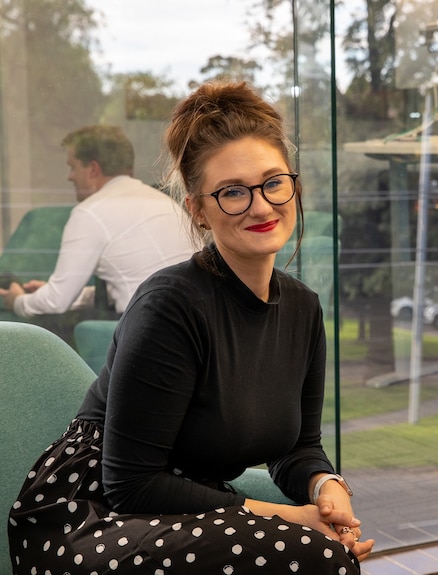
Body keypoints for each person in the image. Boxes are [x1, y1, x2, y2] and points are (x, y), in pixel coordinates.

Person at [7, 81, 373, 573]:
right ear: (198, 211)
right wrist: (292, 519)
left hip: (192, 507)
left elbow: (298, 447)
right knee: (314, 553)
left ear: (293, 184)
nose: (261, 206)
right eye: (232, 192)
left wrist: (326, 489)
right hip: (91, 514)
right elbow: (132, 484)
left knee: (325, 549)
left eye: (273, 182)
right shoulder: (170, 304)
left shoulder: (304, 309)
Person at [0, 125, 194, 335]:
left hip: (150, 333)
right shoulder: (163, 202)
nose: (70, 177)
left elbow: (56, 301)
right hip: (193, 325)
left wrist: (17, 301)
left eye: (72, 167)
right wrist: (62, 292)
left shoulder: (90, 211)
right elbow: (136, 279)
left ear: (93, 169)